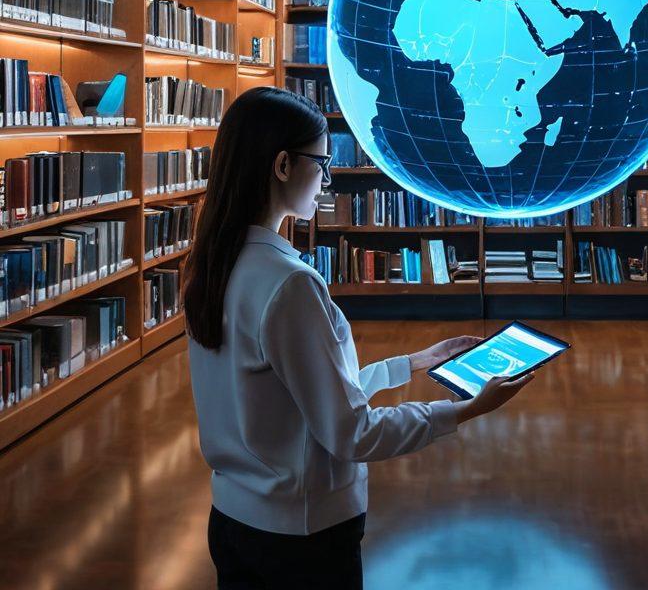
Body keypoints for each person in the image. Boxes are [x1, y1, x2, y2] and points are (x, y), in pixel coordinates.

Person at [183, 87, 533, 589]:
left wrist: (409, 364)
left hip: (236, 521)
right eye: (320, 163)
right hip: (302, 536)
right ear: (282, 165)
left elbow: (293, 399)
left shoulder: (214, 265)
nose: (327, 179)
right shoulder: (290, 284)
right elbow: (351, 434)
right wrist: (466, 410)